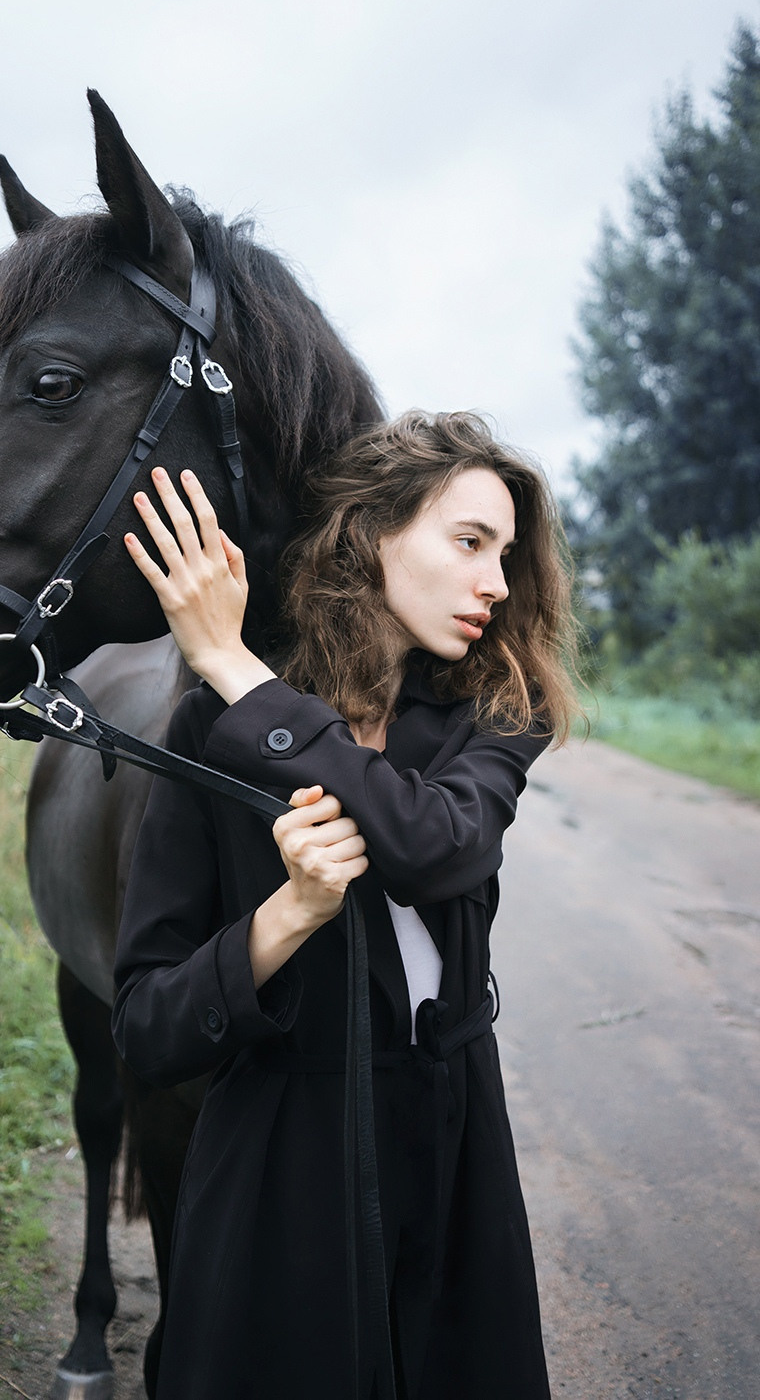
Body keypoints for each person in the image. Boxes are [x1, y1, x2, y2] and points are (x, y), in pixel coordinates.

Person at [112, 411, 581, 1400]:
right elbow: (148, 1029)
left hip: (452, 1145)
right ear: (370, 534)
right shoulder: (203, 731)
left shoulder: (499, 711)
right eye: (470, 542)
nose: (497, 583)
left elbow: (432, 847)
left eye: (505, 555)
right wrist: (286, 916)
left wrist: (234, 668)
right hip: (278, 1165)